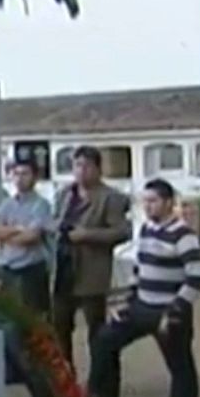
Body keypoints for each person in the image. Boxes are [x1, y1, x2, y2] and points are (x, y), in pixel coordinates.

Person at [87, 179, 200, 397]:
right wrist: (126, 302)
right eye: (145, 201)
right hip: (141, 306)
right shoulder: (147, 229)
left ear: (167, 202)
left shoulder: (183, 235)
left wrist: (175, 310)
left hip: (169, 311)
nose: (147, 206)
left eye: (153, 201)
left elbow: (197, 277)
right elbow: (140, 270)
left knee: (181, 370)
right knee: (104, 340)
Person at [50, 146, 131, 364]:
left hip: (92, 273)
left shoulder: (111, 198)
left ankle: (99, 383)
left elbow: (122, 231)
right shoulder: (64, 194)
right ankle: (66, 384)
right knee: (59, 328)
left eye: (86, 165)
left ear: (98, 168)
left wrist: (88, 235)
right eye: (77, 165)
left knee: (97, 332)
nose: (81, 171)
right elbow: (54, 221)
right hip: (63, 271)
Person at [0, 160, 55, 316]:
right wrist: (17, 229)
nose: (19, 178)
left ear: (34, 177)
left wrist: (4, 236)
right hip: (8, 269)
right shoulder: (7, 204)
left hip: (31, 270)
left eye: (25, 174)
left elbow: (31, 237)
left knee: (34, 317)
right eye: (16, 174)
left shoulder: (41, 205)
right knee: (10, 316)